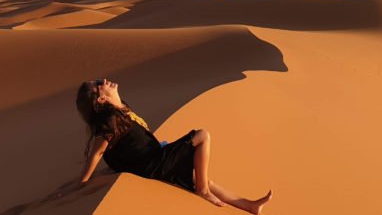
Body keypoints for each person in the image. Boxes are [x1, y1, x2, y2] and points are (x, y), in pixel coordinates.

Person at [71, 78, 272, 214]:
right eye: (99, 84)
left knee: (201, 177)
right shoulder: (110, 120)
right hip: (153, 163)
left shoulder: (121, 108)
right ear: (102, 98)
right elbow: (98, 152)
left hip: (154, 155)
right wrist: (83, 182)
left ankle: (249, 206)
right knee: (202, 136)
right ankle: (202, 191)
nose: (104, 81)